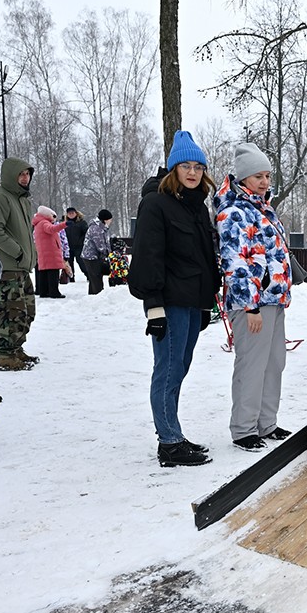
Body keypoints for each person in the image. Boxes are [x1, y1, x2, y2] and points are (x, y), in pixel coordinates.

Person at [129, 131, 220, 467]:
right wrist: (153, 306)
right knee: (167, 370)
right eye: (185, 166)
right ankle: (168, 442)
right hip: (168, 302)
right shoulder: (156, 204)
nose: (193, 172)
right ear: (173, 170)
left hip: (194, 303)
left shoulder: (198, 208)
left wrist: (209, 300)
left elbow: (203, 257)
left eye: (198, 166)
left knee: (179, 369)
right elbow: (146, 257)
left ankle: (174, 432)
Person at [214, 142, 294, 452]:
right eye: (258, 176)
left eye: (267, 176)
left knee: (274, 363)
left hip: (273, 301)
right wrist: (250, 306)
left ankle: (266, 423)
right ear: (243, 178)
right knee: (252, 364)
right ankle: (244, 428)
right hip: (253, 305)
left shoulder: (262, 208)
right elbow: (235, 261)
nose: (264, 182)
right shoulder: (234, 211)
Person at [0, 156, 39, 371]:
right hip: (8, 268)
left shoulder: (22, 199)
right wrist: (17, 253)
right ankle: (5, 355)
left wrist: (28, 256)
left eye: (27, 174)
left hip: (22, 267)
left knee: (27, 311)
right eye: (21, 174)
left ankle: (16, 348)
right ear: (10, 175)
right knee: (12, 311)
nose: (25, 178)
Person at [32, 206, 70, 299]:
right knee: (53, 272)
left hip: (44, 252)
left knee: (44, 273)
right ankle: (54, 292)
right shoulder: (44, 223)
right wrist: (65, 224)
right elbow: (52, 229)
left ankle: (43, 291)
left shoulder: (38, 224)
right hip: (51, 252)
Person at [80, 209, 113, 295]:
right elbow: (100, 245)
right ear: (105, 219)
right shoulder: (96, 228)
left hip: (95, 256)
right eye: (110, 219)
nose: (111, 221)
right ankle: (97, 295)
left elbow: (106, 242)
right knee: (96, 277)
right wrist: (109, 254)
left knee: (95, 277)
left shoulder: (101, 227)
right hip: (90, 256)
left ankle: (93, 295)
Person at [64, 207, 88, 279]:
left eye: (72, 213)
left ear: (76, 213)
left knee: (81, 261)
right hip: (68, 246)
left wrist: (81, 241)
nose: (71, 215)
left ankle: (88, 275)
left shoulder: (81, 222)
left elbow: (86, 233)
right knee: (69, 262)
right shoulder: (64, 223)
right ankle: (70, 277)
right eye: (69, 213)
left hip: (79, 246)